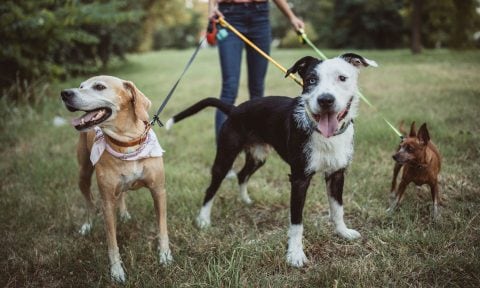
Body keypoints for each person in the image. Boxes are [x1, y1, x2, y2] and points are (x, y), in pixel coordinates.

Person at [208, 0, 305, 139]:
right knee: (229, 89)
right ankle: (223, 149)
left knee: (257, 90)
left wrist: (292, 17)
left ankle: (255, 148)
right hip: (228, 15)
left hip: (260, 16)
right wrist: (211, 8)